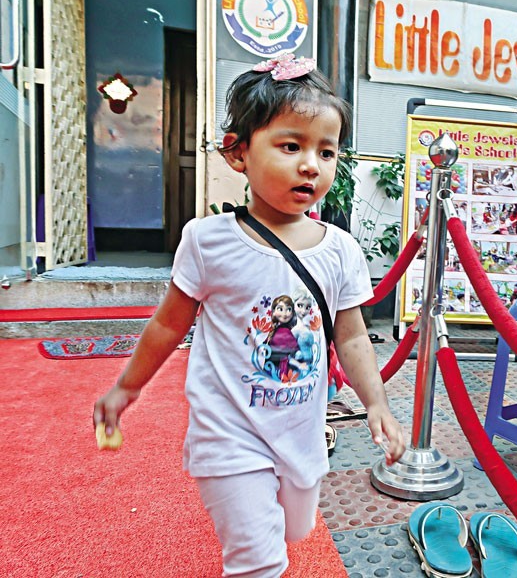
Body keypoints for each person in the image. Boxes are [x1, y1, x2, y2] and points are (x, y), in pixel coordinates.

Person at [93, 53, 405, 577]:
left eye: (326, 152)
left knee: (295, 527)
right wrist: (127, 386)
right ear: (236, 153)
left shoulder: (342, 251)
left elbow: (350, 336)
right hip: (228, 431)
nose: (312, 164)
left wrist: (376, 402)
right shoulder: (208, 241)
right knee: (260, 561)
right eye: (291, 146)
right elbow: (169, 324)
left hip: (301, 430)